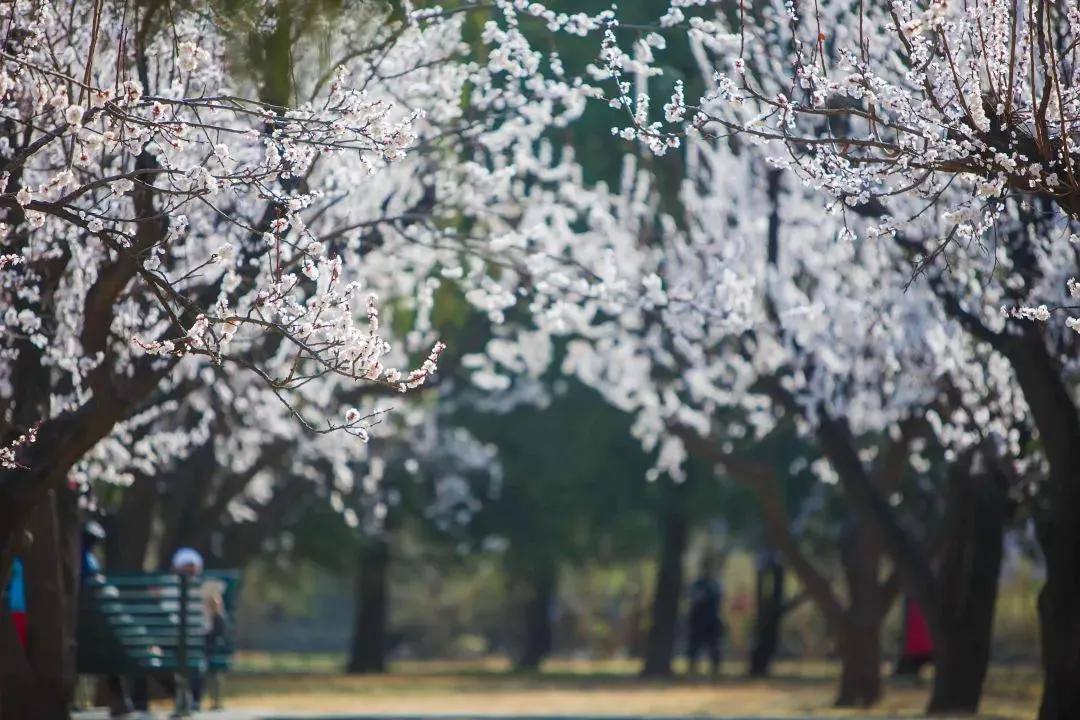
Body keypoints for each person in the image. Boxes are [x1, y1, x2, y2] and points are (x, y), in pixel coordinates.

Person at [686, 559, 724, 676]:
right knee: (694, 646)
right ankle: (692, 668)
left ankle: (715, 669)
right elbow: (694, 598)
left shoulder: (715, 584)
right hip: (698, 620)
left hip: (711, 619)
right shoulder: (696, 584)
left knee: (714, 646)